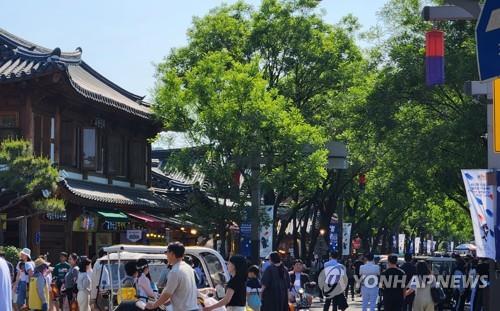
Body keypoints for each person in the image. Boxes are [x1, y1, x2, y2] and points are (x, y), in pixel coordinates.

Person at [146, 242, 199, 311]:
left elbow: (167, 294)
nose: (166, 255)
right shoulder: (188, 267)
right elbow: (180, 293)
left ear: (172, 254)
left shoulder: (175, 271)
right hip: (193, 308)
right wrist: (163, 303)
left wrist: (154, 305)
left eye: (167, 252)